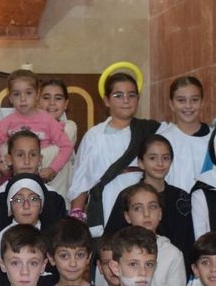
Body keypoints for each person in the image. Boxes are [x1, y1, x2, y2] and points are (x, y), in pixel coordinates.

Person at [70, 67, 161, 235]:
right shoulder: (94, 136)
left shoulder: (150, 130)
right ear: (106, 100)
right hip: (106, 201)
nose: (125, 100)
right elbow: (81, 179)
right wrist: (76, 216)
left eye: (131, 95)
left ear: (138, 99)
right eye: (118, 95)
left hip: (142, 204)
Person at [102, 135, 194, 262]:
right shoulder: (128, 195)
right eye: (152, 158)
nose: (160, 163)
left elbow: (188, 241)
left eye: (165, 158)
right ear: (140, 162)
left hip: (173, 267)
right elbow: (111, 238)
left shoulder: (181, 197)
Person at [0, 70, 75, 183]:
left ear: (37, 94)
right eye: (16, 94)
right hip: (12, 178)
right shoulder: (6, 122)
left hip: (40, 179)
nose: (23, 99)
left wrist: (53, 169)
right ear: (10, 98)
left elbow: (66, 146)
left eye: (28, 93)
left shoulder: (49, 122)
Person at [110, 182, 185, 286]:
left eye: (153, 207)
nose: (146, 214)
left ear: (160, 213)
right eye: (138, 208)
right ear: (127, 216)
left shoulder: (173, 254)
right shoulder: (115, 249)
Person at [0, 176, 59, 286]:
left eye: (33, 198)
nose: (26, 205)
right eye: (18, 199)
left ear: (41, 205)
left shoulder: (55, 240)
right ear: (10, 207)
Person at [0, 131, 68, 230]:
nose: (27, 161)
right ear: (9, 159)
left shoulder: (54, 197)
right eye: (20, 155)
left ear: (40, 159)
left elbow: (59, 239)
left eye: (33, 155)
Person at [157, 75, 209, 192]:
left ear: (202, 102)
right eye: (181, 100)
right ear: (171, 104)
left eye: (194, 100)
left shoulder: (215, 139)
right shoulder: (163, 140)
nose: (188, 106)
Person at [37, 77, 79, 202]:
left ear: (66, 104)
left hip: (60, 198)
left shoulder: (69, 126)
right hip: (30, 198)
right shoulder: (27, 129)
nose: (52, 103)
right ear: (37, 101)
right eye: (46, 97)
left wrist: (24, 157)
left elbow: (58, 150)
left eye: (58, 98)